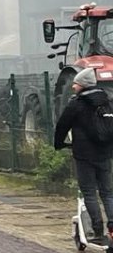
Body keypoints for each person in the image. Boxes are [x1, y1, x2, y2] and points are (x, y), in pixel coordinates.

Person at [55, 68, 113, 242]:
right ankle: (112, 228)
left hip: (84, 155)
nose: (73, 86)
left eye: (76, 83)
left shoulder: (77, 104)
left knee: (89, 192)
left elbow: (62, 125)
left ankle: (97, 230)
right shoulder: (107, 101)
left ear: (83, 85)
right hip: (104, 154)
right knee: (107, 193)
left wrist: (59, 144)